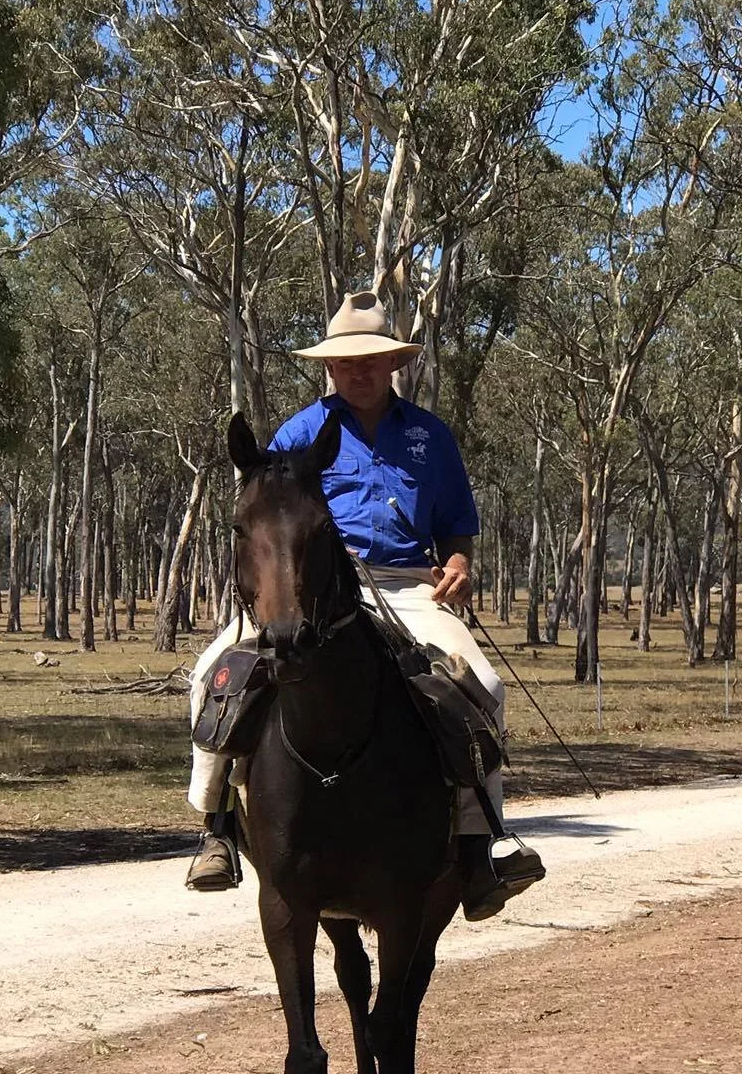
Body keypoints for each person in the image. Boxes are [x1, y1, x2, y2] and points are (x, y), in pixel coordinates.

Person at [184, 291, 545, 920]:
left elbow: (457, 525)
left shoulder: (431, 438)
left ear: (392, 364)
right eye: (347, 360)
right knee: (212, 675)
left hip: (408, 583)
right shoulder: (299, 434)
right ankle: (216, 828)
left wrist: (457, 565)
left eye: (372, 358)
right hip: (314, 586)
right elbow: (271, 518)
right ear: (330, 365)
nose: (360, 369)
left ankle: (478, 846)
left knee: (482, 683)